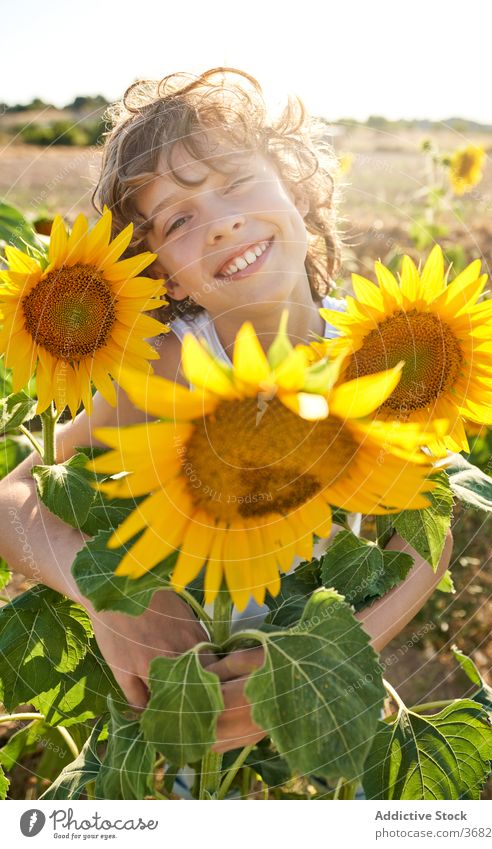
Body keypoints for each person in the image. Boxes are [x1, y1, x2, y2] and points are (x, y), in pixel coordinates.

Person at [0, 68, 452, 756]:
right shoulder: (169, 367)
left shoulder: (377, 356)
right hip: (181, 673)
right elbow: (12, 497)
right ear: (164, 275)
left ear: (297, 194)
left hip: (303, 706)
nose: (220, 222)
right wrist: (112, 601)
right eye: (178, 219)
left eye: (236, 182)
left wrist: (333, 655)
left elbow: (428, 532)